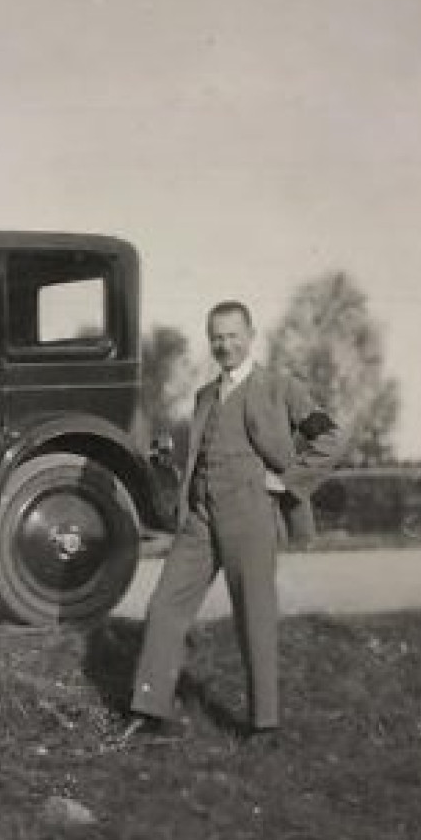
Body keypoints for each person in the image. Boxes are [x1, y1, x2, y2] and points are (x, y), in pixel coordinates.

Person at [120, 300, 344, 743]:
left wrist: (286, 481)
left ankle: (264, 724)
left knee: (255, 616)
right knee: (165, 604)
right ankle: (150, 711)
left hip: (251, 512)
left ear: (251, 336)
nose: (225, 345)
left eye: (233, 335)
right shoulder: (205, 396)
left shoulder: (281, 387)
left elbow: (332, 437)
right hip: (201, 516)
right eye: (216, 338)